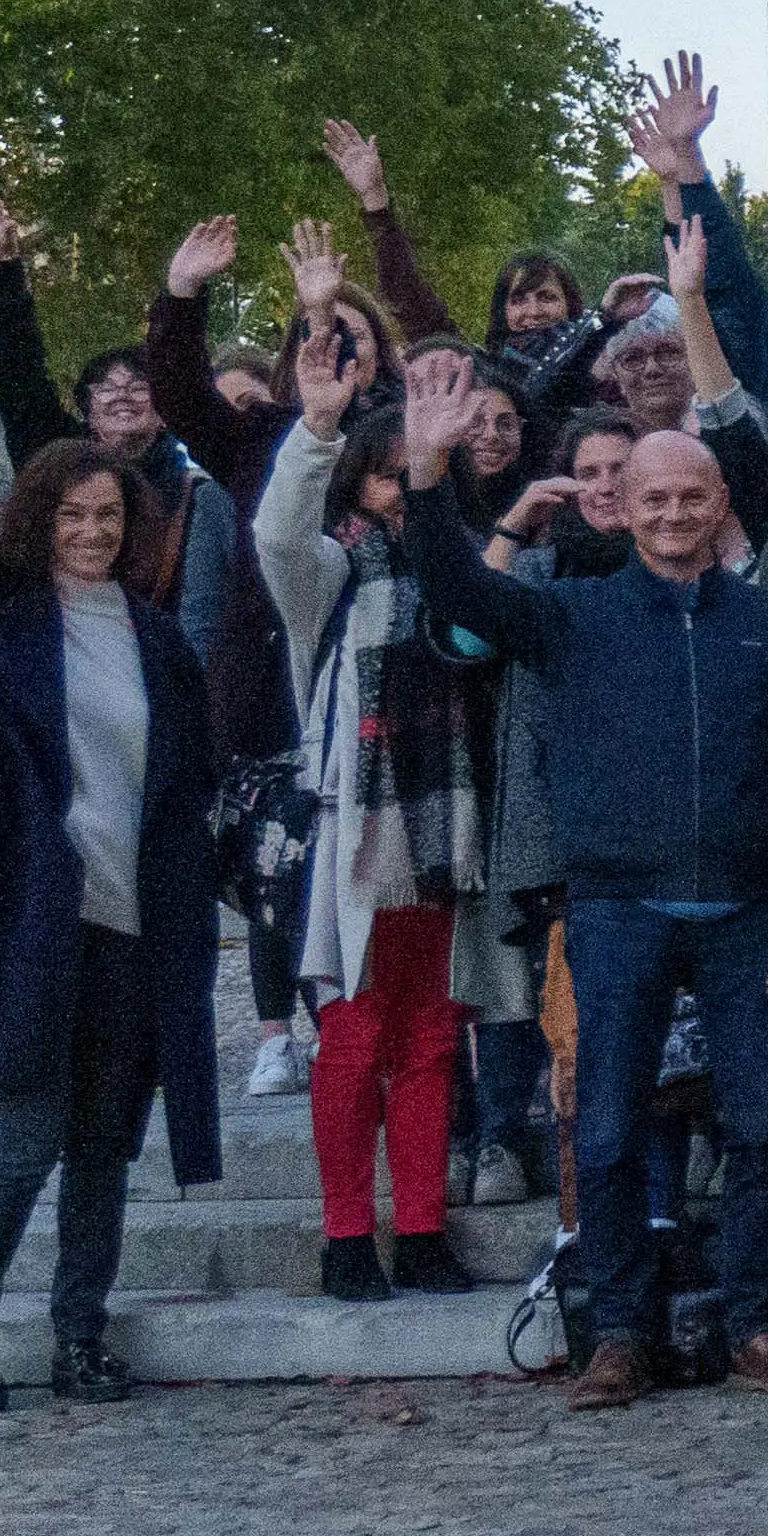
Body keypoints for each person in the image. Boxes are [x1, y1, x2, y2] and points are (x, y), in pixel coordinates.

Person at [392, 352, 768, 1407]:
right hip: (615, 907)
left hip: (749, 913)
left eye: (694, 495)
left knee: (762, 1125)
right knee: (602, 1128)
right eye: (656, 497)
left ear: (721, 502)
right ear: (623, 510)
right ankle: (617, 1332)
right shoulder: (574, 614)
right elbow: (458, 592)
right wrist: (427, 476)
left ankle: (757, 1327)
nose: (677, 512)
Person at [0, 284, 224, 1412]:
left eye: (107, 519)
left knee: (107, 1154)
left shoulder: (161, 642)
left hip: (132, 932)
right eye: (71, 517)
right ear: (39, 520)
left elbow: (181, 790)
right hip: (31, 924)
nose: (89, 533)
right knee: (27, 1142)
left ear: (132, 527)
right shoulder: (1, 615)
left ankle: (80, 1338)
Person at [250, 315, 507, 1299]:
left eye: (420, 471)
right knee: (354, 1039)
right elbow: (276, 535)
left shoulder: (473, 568)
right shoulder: (330, 579)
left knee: (435, 1039)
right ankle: (349, 1232)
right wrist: (314, 429)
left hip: (454, 834)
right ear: (359, 482)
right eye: (389, 472)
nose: (402, 490)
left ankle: (427, 1224)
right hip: (358, 837)